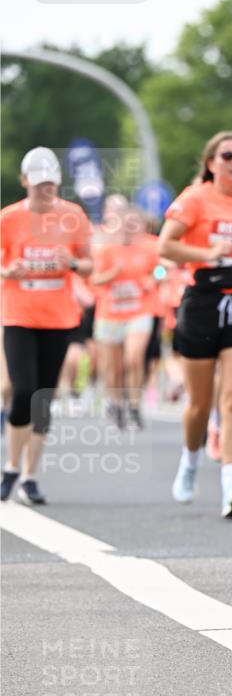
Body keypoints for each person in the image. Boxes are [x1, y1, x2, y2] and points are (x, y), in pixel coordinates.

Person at [158, 130, 232, 519]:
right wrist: (207, 253)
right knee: (200, 405)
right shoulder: (195, 198)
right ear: (211, 162)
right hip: (202, 299)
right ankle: (189, 461)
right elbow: (165, 245)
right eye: (228, 155)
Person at [0, 147, 93, 504]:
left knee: (43, 398)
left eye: (51, 184)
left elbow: (90, 266)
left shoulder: (73, 216)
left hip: (58, 316)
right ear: (25, 182)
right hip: (19, 314)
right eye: (39, 184)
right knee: (23, 390)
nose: (46, 191)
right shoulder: (8, 219)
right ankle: (10, 465)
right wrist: (7, 271)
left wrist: (71, 262)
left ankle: (30, 475)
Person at [92, 204, 160, 428]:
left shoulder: (150, 246)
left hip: (139, 311)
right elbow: (96, 279)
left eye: (134, 224)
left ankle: (134, 404)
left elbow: (164, 268)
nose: (129, 229)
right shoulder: (106, 249)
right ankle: (115, 402)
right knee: (114, 366)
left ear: (142, 226)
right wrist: (113, 274)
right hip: (110, 314)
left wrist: (154, 278)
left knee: (133, 358)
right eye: (126, 224)